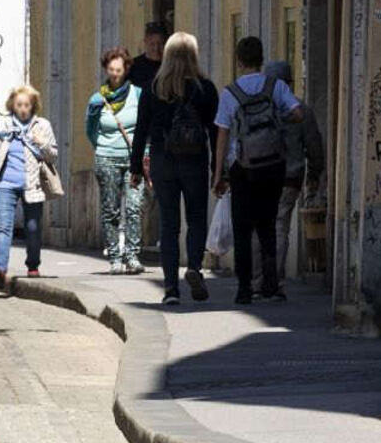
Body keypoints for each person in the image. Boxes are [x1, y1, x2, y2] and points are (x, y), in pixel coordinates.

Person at [129, 31, 219, 306]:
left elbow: (141, 129)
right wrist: (218, 168)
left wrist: (135, 168)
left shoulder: (153, 88)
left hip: (162, 160)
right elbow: (215, 131)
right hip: (194, 160)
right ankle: (193, 267)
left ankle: (170, 289)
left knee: (168, 225)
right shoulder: (204, 88)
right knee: (196, 217)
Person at [212, 37, 302, 304]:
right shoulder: (275, 86)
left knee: (243, 228)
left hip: (242, 167)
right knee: (268, 224)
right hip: (274, 164)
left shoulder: (230, 93)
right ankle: (271, 284)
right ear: (261, 59)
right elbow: (299, 114)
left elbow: (222, 136)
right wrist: (277, 118)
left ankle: (244, 288)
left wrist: (218, 174)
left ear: (238, 61)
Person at [0, 85, 60, 287]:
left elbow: (53, 155)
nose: (23, 109)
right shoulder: (1, 125)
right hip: (5, 184)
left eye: (27, 105)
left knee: (33, 228)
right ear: (12, 104)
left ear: (33, 106)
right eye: (19, 104)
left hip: (33, 184)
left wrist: (42, 143)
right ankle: (0, 269)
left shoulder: (42, 126)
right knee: (4, 227)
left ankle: (32, 265)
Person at [263, 59, 325, 295]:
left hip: (259, 174)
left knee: (260, 227)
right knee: (280, 227)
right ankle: (274, 279)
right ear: (289, 82)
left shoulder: (260, 107)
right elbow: (314, 146)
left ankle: (257, 279)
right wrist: (314, 174)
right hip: (290, 176)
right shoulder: (301, 109)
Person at [87, 47, 146, 275]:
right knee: (111, 210)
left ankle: (132, 255)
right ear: (106, 69)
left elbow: (144, 126)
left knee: (133, 207)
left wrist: (144, 152)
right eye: (111, 69)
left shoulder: (138, 95)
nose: (115, 74)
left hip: (134, 159)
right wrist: (103, 146)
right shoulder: (97, 100)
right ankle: (114, 257)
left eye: (119, 70)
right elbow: (91, 130)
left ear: (126, 69)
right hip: (107, 158)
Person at [127, 21, 168, 93]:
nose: (156, 48)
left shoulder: (172, 65)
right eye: (152, 44)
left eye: (161, 44)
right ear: (145, 42)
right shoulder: (133, 66)